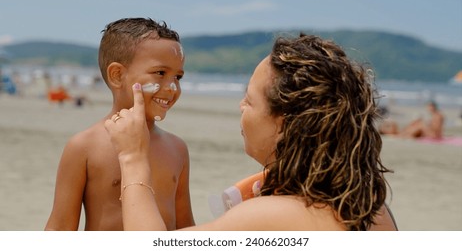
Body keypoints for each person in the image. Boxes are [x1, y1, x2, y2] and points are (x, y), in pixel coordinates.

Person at [105, 33, 396, 231]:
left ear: (283, 123)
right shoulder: (371, 207)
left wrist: (132, 158)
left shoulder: (276, 214)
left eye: (249, 99)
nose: (240, 106)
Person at [45, 18, 195, 230]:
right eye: (160, 73)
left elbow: (185, 226)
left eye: (178, 77)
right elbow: (60, 228)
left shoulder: (178, 149)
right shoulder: (84, 146)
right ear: (117, 75)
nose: (172, 87)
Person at [380, 101, 444, 139]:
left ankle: (404, 134)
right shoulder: (435, 115)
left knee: (420, 124)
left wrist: (426, 125)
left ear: (433, 107)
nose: (429, 108)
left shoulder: (438, 115)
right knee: (418, 122)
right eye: (428, 106)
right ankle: (404, 133)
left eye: (430, 106)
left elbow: (436, 129)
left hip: (434, 134)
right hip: (431, 133)